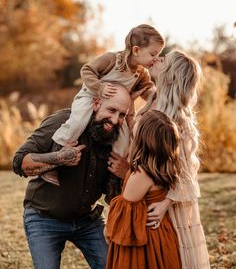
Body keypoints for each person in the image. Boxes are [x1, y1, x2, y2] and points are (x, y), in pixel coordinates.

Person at [12, 84, 131, 269]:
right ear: (97, 102)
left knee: (114, 266)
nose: (115, 120)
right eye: (112, 110)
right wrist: (58, 158)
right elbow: (19, 162)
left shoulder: (117, 139)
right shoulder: (64, 121)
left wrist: (125, 174)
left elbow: (112, 198)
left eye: (122, 114)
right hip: (44, 218)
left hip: (88, 220)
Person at [43, 24, 165, 199]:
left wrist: (160, 96)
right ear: (136, 49)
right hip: (91, 97)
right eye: (153, 54)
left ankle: (113, 181)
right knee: (78, 122)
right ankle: (56, 162)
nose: (155, 58)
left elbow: (147, 91)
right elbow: (87, 70)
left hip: (116, 110)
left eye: (158, 55)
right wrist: (99, 87)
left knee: (124, 141)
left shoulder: (141, 73)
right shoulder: (111, 60)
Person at [147, 50, 210, 269]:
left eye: (163, 60)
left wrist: (166, 203)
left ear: (171, 75)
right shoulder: (150, 103)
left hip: (171, 204)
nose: (157, 59)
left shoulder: (178, 120)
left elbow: (187, 173)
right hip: (146, 196)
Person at [104, 110, 182, 269]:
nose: (135, 122)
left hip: (142, 240)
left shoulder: (142, 175)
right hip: (161, 234)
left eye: (140, 121)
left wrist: (108, 229)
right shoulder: (164, 166)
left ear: (143, 137)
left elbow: (124, 212)